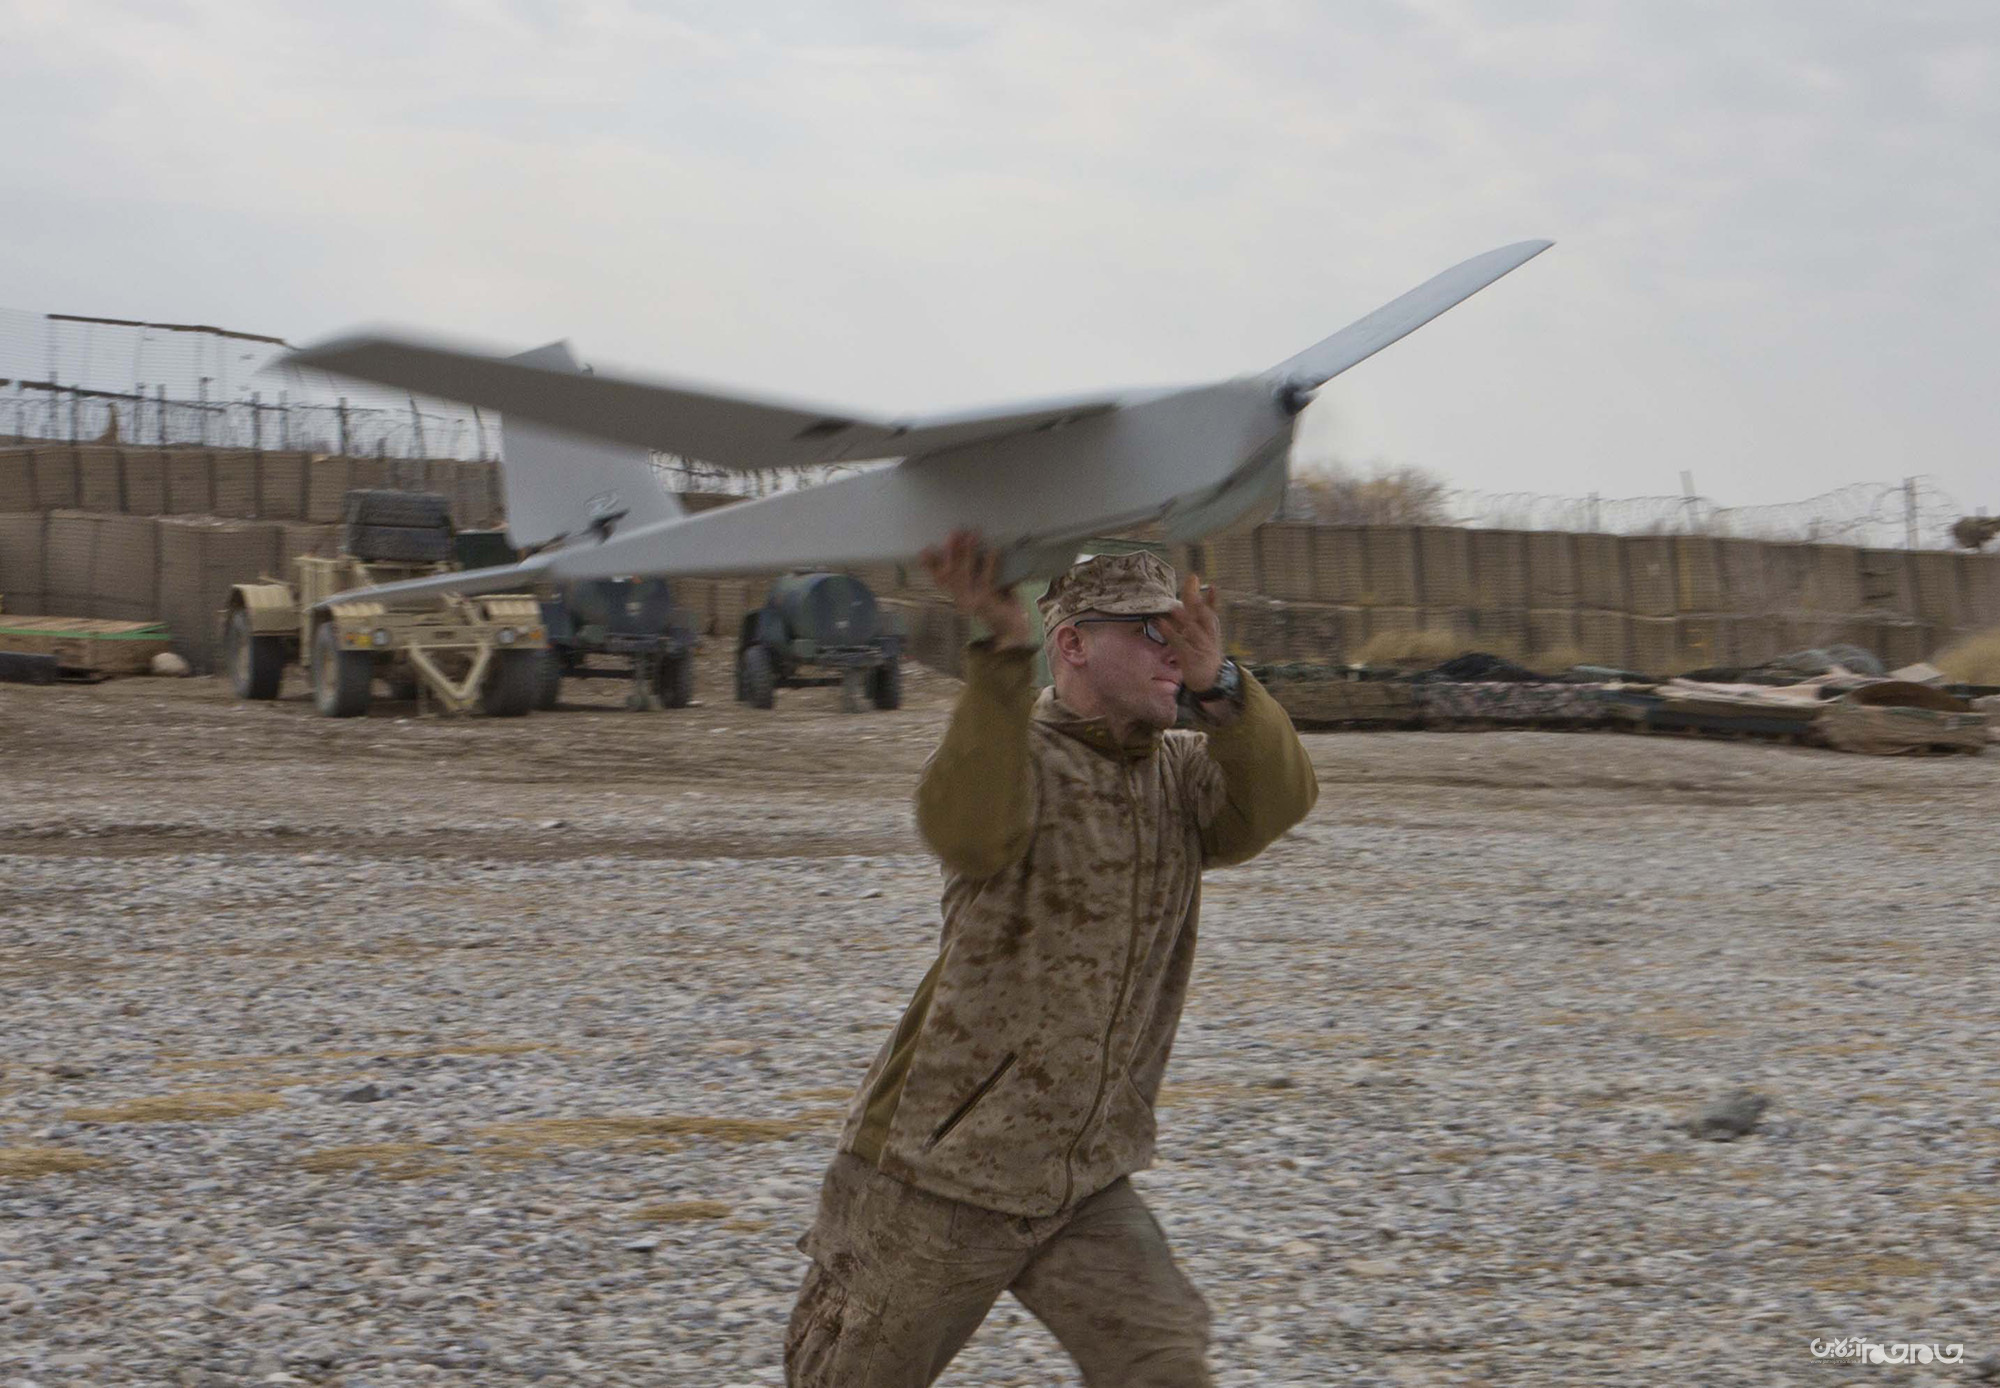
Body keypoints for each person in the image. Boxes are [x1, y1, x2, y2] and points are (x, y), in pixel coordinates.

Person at [786, 532, 1319, 1387]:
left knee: (1167, 1369)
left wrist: (1221, 689)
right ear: (1071, 644)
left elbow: (1278, 803)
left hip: (1084, 1180)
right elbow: (963, 827)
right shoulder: (1014, 759)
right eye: (1150, 632)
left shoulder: (1180, 778)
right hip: (939, 1177)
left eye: (1181, 629)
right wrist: (1000, 653)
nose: (1174, 649)